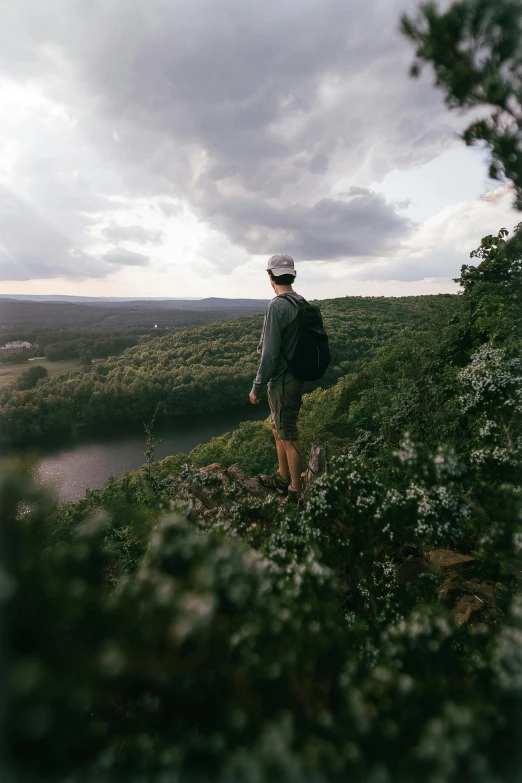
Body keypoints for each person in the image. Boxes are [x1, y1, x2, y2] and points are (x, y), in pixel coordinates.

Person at [249, 254, 304, 503]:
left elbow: (269, 355)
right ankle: (283, 477)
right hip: (295, 378)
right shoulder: (300, 302)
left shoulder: (276, 306)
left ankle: (294, 490)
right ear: (292, 275)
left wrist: (256, 387)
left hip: (281, 382)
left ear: (270, 276)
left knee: (289, 435)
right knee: (277, 428)